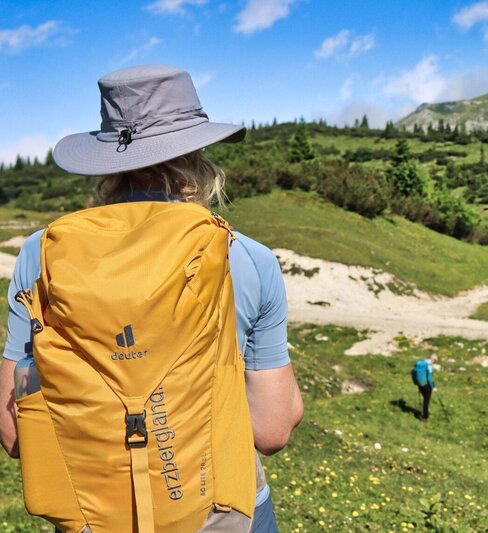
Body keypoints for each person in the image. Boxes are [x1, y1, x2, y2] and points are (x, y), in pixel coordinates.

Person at [0, 65, 304, 532]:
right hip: (220, 513)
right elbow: (271, 430)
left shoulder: (42, 254)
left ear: (106, 160)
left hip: (93, 516)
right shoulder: (245, 256)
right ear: (197, 153)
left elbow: (14, 431)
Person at [413, 354, 438, 421]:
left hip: (420, 384)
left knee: (425, 399)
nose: (434, 362)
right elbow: (429, 378)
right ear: (432, 359)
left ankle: (425, 412)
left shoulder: (421, 362)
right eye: (435, 360)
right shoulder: (429, 365)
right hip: (426, 385)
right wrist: (433, 387)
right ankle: (425, 417)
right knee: (426, 401)